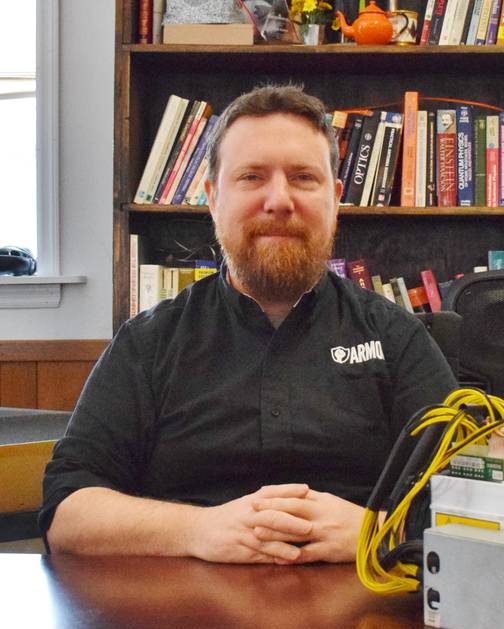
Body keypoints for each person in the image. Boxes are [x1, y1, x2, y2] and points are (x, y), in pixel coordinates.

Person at [41, 84, 456, 564]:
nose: (279, 200)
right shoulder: (149, 344)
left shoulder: (397, 338)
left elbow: (473, 502)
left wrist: (378, 532)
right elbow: (66, 512)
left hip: (365, 617)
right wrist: (198, 530)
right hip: (178, 624)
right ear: (213, 198)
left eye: (303, 178)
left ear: (335, 200)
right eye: (252, 177)